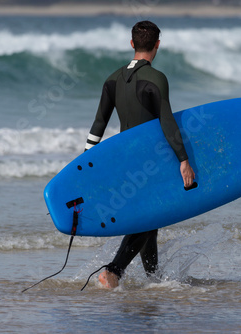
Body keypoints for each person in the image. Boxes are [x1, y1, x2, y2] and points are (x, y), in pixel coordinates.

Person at [84, 21, 195, 288]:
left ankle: (153, 281)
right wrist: (183, 160)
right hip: (151, 162)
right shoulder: (157, 79)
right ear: (157, 44)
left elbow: (98, 125)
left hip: (124, 161)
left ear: (131, 44)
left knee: (150, 222)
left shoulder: (112, 78)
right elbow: (167, 122)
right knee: (149, 218)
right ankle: (113, 271)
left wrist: (86, 164)